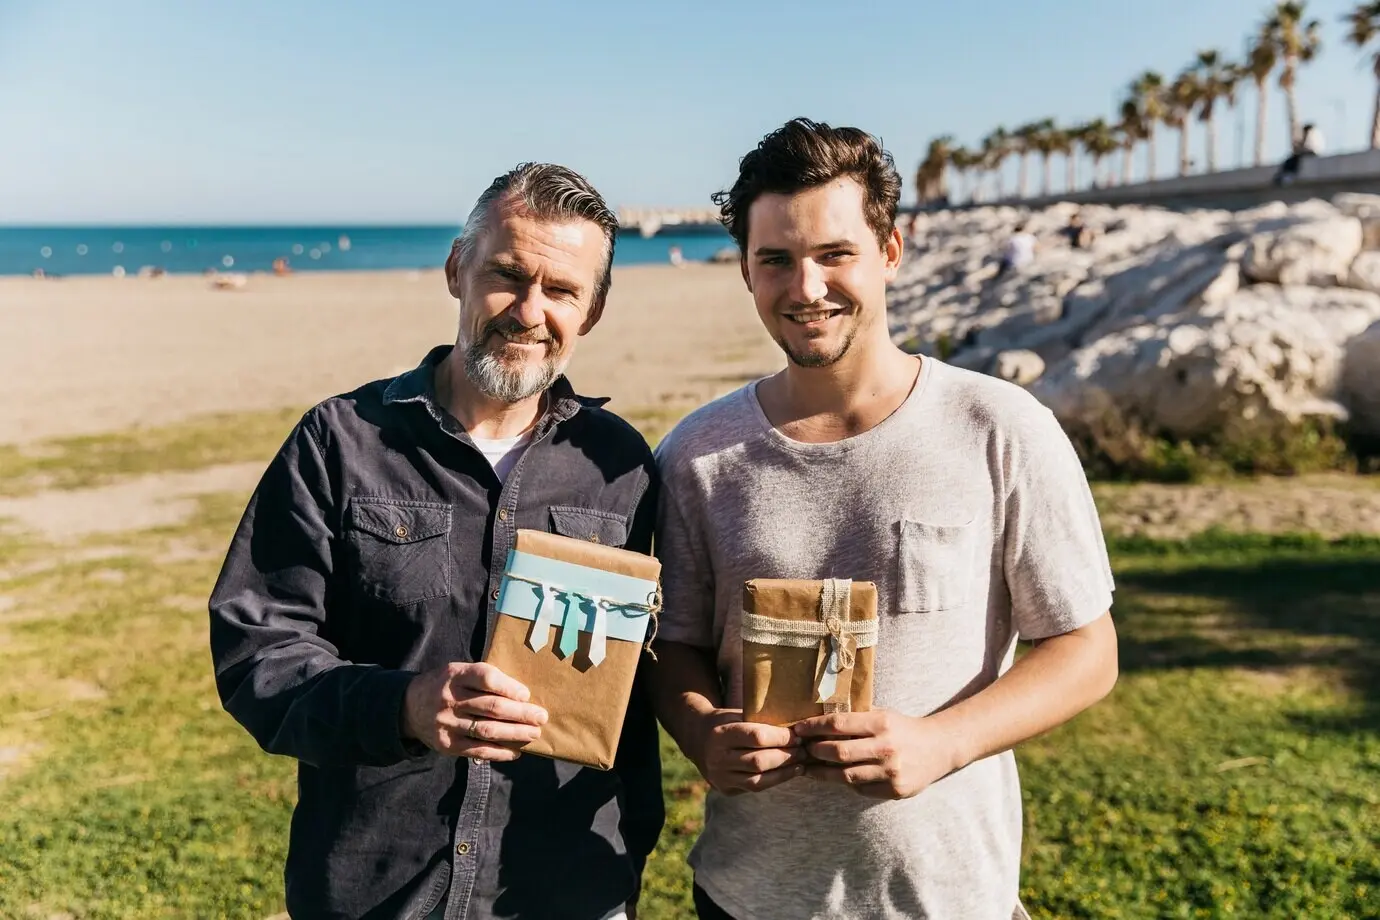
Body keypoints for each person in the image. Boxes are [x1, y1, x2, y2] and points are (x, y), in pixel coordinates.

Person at [649, 118, 1119, 920]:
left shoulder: (998, 426)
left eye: (836, 255)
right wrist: (701, 736)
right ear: (745, 271)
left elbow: (1085, 649)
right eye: (777, 261)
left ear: (890, 252)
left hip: (951, 896)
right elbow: (676, 646)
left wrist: (942, 743)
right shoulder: (697, 453)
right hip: (748, 895)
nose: (806, 288)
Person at [209, 163, 664, 920]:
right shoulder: (341, 441)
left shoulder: (620, 469)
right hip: (375, 889)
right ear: (457, 269)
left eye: (561, 291)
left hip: (563, 890)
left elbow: (648, 678)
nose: (528, 310)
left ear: (595, 309)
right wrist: (406, 707)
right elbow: (257, 648)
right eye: (507, 274)